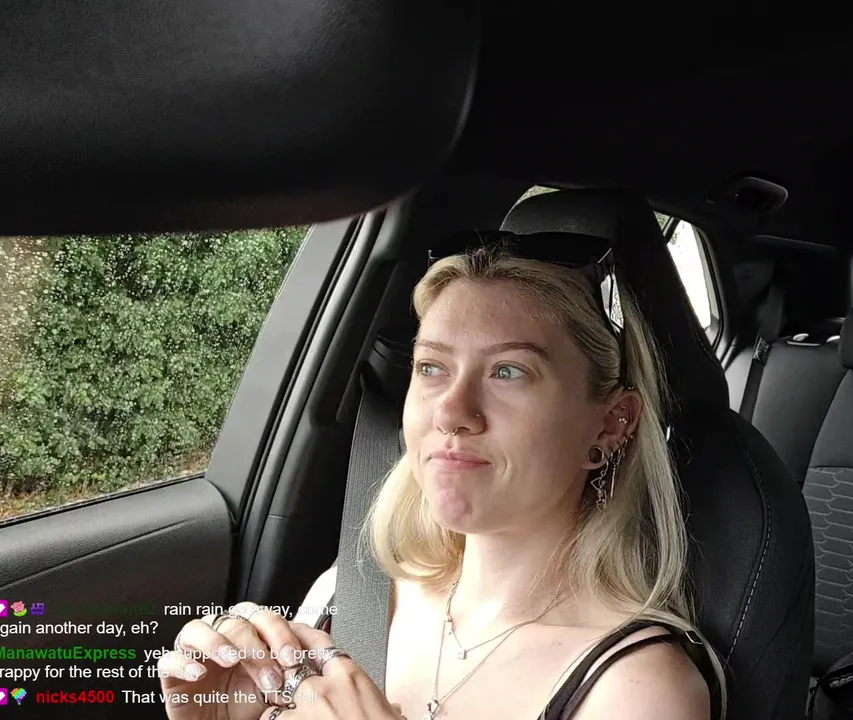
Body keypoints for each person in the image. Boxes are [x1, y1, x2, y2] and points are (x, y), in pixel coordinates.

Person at [157, 231, 725, 720]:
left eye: (508, 372)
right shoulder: (347, 594)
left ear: (610, 422)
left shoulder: (640, 688)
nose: (451, 411)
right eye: (431, 367)